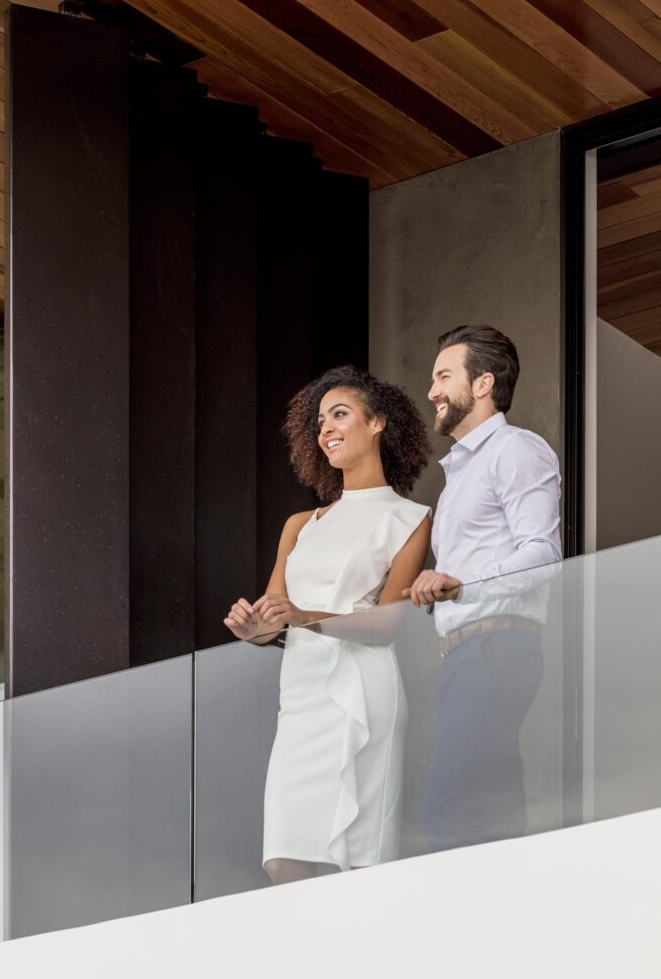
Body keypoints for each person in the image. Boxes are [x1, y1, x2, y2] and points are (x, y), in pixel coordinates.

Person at [224, 366, 432, 883]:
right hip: (301, 699)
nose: (326, 430)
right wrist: (255, 628)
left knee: (357, 865)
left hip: (363, 693)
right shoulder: (300, 524)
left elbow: (386, 624)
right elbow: (276, 616)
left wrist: (300, 618)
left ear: (378, 422)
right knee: (283, 859)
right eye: (320, 422)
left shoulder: (410, 518)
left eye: (340, 415)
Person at [404, 324, 562, 851]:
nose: (432, 392)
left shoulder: (516, 450)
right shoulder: (460, 477)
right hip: (469, 656)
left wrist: (460, 584)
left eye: (444, 376)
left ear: (483, 384)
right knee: (490, 823)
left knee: (449, 818)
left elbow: (544, 553)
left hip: (495, 649)